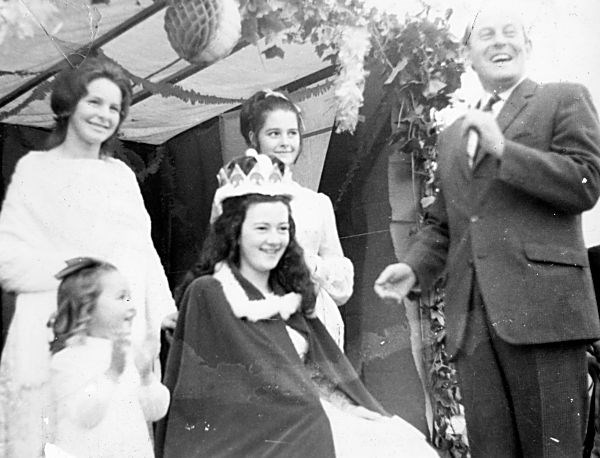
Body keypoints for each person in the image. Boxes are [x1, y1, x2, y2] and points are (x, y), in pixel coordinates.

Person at [374, 4, 600, 457]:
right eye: (486, 35)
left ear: (528, 45)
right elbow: (445, 221)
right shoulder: (453, 134)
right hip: (472, 323)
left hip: (543, 316)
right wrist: (414, 268)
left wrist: (504, 150)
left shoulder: (563, 97)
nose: (500, 41)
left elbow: (586, 181)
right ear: (469, 56)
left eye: (510, 32)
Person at [156, 153, 436, 457]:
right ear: (233, 232)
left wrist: (347, 406)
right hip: (255, 435)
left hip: (305, 417)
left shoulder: (285, 290)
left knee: (402, 442)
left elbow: (319, 372)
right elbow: (242, 388)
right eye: (261, 228)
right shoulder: (210, 290)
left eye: (282, 228)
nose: (274, 240)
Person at [0, 57, 176, 457]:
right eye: (94, 102)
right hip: (65, 325)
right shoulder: (38, 170)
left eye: (114, 108)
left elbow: (143, 249)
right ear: (68, 106)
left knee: (118, 429)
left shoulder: (122, 175)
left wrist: (162, 308)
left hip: (120, 325)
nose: (104, 115)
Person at [237, 89, 352, 349]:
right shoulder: (238, 196)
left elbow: (342, 288)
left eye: (292, 133)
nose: (285, 142)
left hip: (317, 322)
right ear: (255, 138)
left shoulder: (316, 203)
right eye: (274, 133)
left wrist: (314, 266)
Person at [46, 257, 169, 458]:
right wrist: (112, 373)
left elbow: (156, 412)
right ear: (87, 306)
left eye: (130, 296)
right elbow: (84, 416)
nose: (132, 305)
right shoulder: (67, 361)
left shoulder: (130, 353)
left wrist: (147, 377)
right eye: (121, 297)